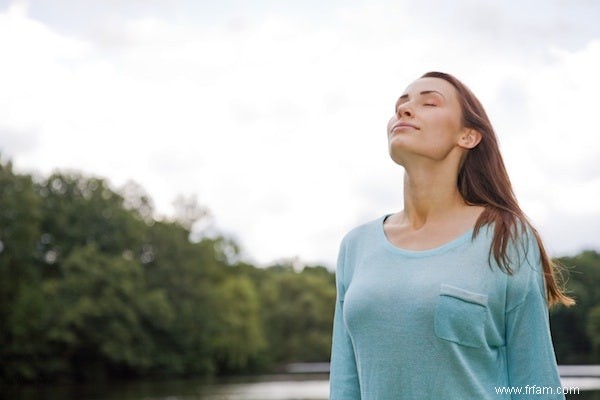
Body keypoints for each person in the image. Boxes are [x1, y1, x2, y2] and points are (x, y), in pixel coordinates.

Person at [329, 71, 574, 399]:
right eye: (400, 104)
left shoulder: (506, 236)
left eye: (429, 102)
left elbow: (536, 380)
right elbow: (345, 386)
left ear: (468, 136)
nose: (404, 109)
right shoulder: (356, 246)